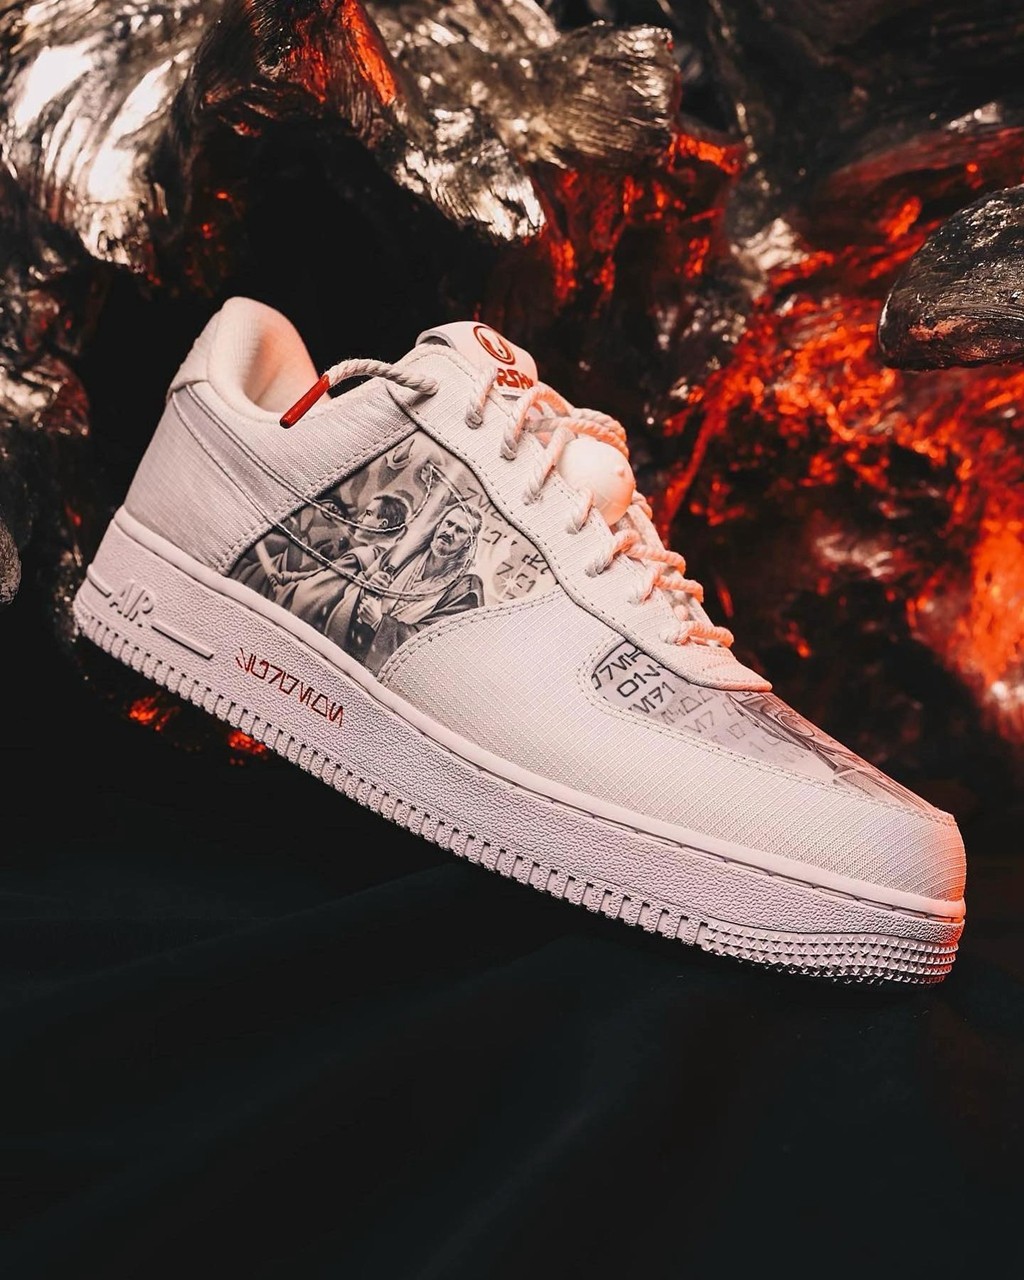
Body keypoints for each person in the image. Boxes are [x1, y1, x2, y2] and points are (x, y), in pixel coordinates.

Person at [335, 502, 484, 673]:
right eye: (448, 523)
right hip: (347, 647)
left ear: (468, 543)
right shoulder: (401, 554)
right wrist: (367, 588)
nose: (449, 532)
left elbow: (434, 643)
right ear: (438, 525)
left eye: (460, 530)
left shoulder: (466, 590)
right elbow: (348, 591)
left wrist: (380, 623)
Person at [286, 493, 410, 630]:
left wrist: (286, 589)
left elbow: (311, 592)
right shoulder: (396, 564)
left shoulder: (361, 556)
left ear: (382, 524)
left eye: (368, 514)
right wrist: (290, 577)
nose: (359, 518)